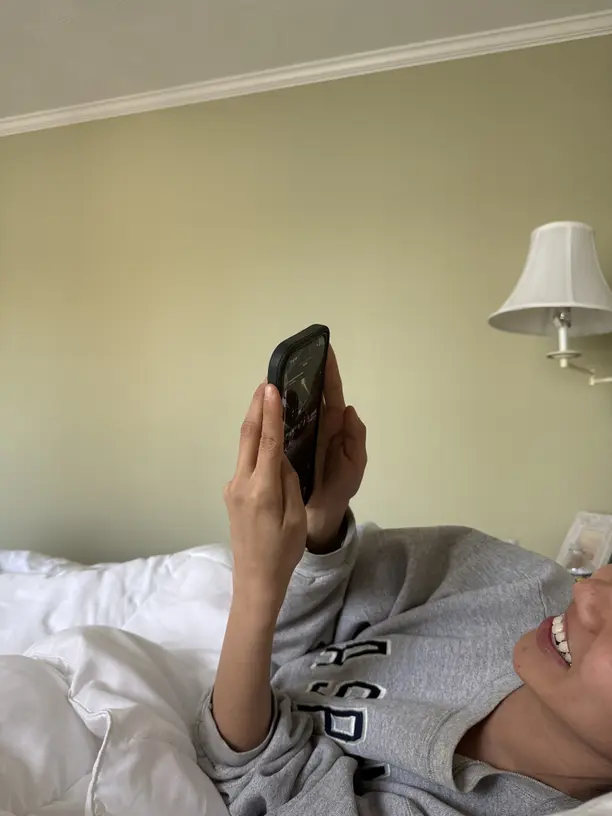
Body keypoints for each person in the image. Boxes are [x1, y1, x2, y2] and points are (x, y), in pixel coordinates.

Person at [195, 349, 612, 815]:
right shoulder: (520, 585)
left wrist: (256, 591)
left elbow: (254, 780)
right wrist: (321, 526)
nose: (587, 590)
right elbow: (287, 650)